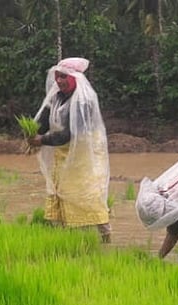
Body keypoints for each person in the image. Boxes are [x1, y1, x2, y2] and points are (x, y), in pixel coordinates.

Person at [28, 57, 112, 243]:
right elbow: (43, 120)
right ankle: (69, 237)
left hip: (84, 155)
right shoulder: (57, 97)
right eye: (57, 77)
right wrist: (32, 133)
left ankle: (104, 238)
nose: (59, 81)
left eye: (64, 77)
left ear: (75, 78)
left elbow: (69, 134)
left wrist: (41, 139)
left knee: (86, 192)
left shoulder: (84, 101)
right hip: (64, 153)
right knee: (63, 189)